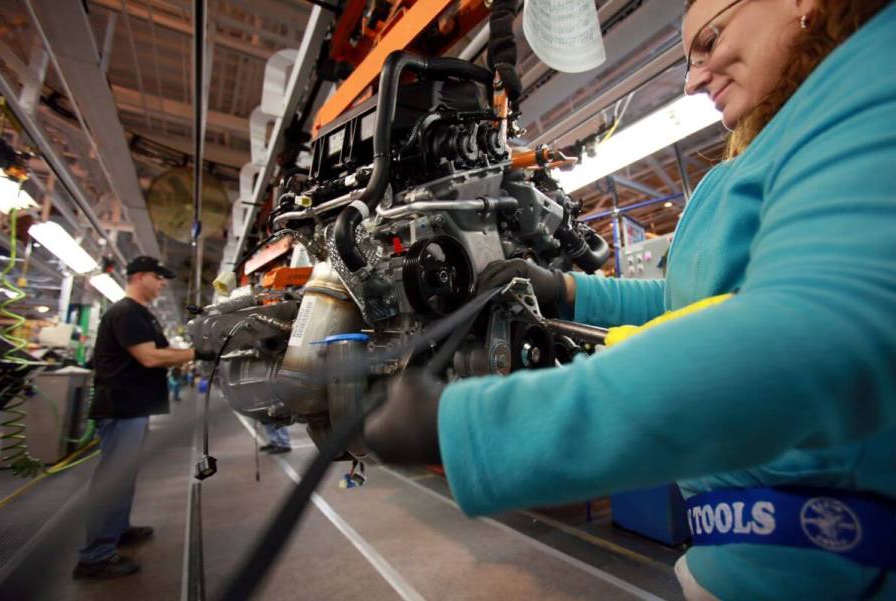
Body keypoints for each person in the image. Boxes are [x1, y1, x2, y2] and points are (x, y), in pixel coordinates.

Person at [366, 2, 896, 599]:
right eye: (688, 59)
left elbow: (808, 343)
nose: (693, 78)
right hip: (738, 554)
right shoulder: (762, 151)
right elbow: (690, 301)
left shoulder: (874, 79)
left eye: (710, 41)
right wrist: (567, 290)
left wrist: (474, 427)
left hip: (838, 567)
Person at [74, 256, 214, 579]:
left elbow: (160, 356)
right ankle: (94, 555)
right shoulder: (126, 313)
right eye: (158, 276)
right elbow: (150, 358)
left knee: (123, 476)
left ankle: (117, 531)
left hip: (133, 407)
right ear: (139, 277)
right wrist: (199, 353)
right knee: (113, 479)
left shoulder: (140, 315)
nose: (163, 283)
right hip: (122, 407)